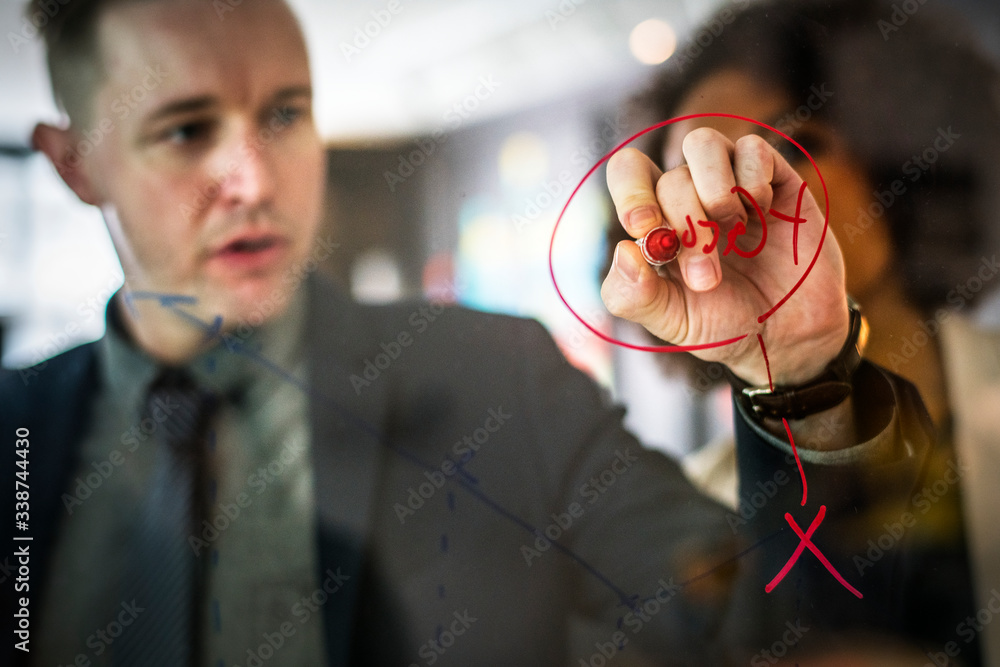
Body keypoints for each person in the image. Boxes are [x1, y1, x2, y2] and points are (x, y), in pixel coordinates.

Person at [0, 0, 976, 665]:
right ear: (76, 163)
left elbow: (800, 641)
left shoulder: (499, 382)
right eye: (186, 130)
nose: (253, 178)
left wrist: (805, 372)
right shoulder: (17, 432)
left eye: (284, 113)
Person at [606, 0, 1000, 662]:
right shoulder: (700, 530)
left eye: (801, 144)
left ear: (904, 166)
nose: (749, 199)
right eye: (700, 180)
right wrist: (795, 367)